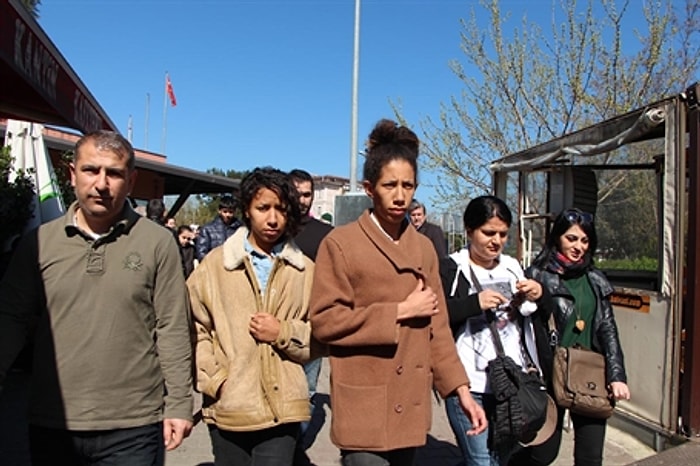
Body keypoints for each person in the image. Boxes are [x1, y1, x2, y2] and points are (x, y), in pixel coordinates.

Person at [0, 130, 193, 465]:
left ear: (131, 181)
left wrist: (179, 402)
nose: (102, 183)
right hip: (53, 419)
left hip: (134, 425)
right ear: (72, 174)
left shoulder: (157, 243)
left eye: (114, 173)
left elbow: (172, 326)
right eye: (91, 170)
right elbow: (10, 319)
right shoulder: (38, 244)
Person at [309, 119, 487, 466]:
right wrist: (399, 311)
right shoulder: (341, 244)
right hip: (364, 401)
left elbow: (437, 330)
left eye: (408, 185)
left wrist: (461, 391)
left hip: (410, 400)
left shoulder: (422, 249)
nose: (400, 194)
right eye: (390, 184)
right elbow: (325, 322)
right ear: (369, 188)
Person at [187, 167, 317, 466]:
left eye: (281, 210)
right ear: (247, 208)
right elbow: (194, 326)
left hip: (282, 410)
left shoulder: (304, 270)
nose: (272, 219)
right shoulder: (217, 264)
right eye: (263, 208)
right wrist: (214, 379)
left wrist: (283, 332)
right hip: (229, 405)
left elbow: (321, 334)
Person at [509, 208, 631, 466]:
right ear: (557, 238)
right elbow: (521, 322)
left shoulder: (595, 280)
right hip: (552, 373)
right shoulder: (537, 275)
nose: (578, 246)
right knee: (543, 453)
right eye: (571, 238)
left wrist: (617, 375)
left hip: (590, 374)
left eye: (584, 240)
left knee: (590, 456)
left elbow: (608, 329)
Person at [439, 195, 551, 466]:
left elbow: (534, 315)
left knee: (500, 458)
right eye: (488, 232)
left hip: (510, 384)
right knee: (480, 460)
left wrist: (538, 294)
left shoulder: (512, 266)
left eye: (502, 234)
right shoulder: (452, 268)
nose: (496, 241)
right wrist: (473, 304)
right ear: (469, 230)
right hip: (468, 384)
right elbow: (436, 317)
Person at [288, 169, 333, 464]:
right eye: (297, 193)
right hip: (273, 324)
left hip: (311, 327)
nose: (302, 200)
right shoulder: (273, 228)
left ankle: (293, 448)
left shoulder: (326, 235)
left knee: (307, 389)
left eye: (307, 194)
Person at [195, 194, 241, 261]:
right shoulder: (207, 229)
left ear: (235, 212)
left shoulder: (240, 229)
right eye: (225, 211)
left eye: (230, 212)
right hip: (214, 267)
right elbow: (201, 253)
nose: (227, 215)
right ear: (219, 211)